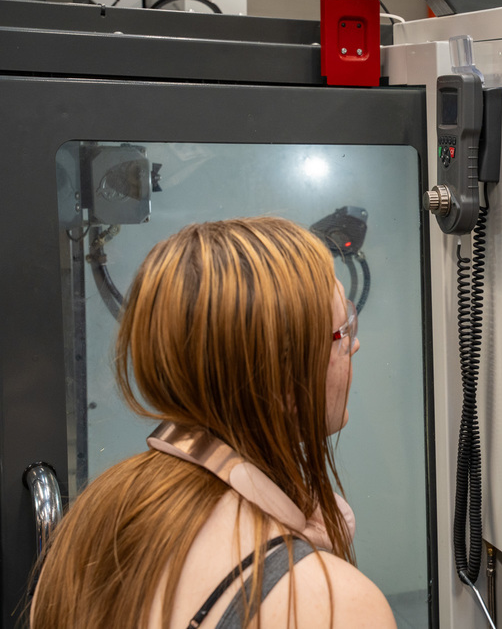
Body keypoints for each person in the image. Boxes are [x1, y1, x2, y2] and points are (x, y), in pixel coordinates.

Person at [31, 217, 396, 629]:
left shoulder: (97, 514)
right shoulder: (336, 607)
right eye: (343, 330)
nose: (356, 343)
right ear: (282, 376)